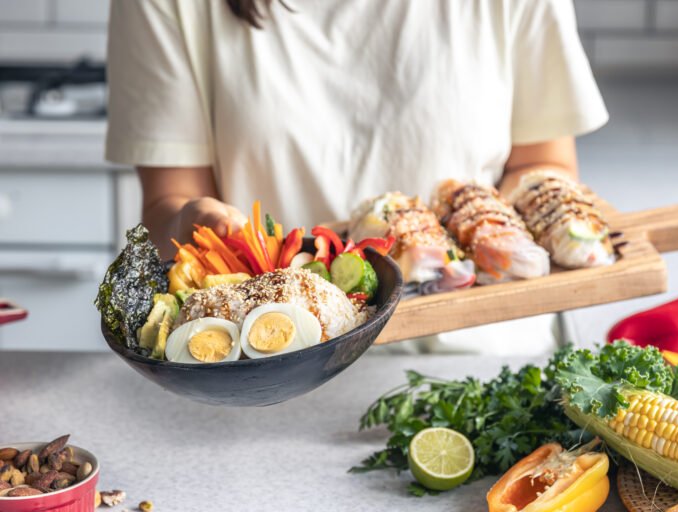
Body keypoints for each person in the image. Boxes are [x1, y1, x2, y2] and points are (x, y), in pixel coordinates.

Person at [106, 0, 608, 354]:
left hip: (487, 351)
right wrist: (194, 222)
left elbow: (543, 165)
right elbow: (168, 204)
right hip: (281, 363)